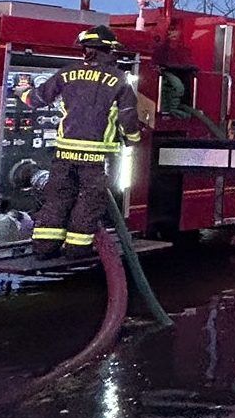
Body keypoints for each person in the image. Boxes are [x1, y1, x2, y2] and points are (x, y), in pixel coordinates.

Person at [20, 25, 143, 260]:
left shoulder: (66, 73)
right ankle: (77, 249)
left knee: (57, 198)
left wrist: (22, 93)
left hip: (64, 152)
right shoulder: (119, 80)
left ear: (87, 51)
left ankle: (44, 248)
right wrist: (133, 139)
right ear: (107, 51)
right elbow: (128, 116)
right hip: (95, 157)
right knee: (89, 201)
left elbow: (36, 99)